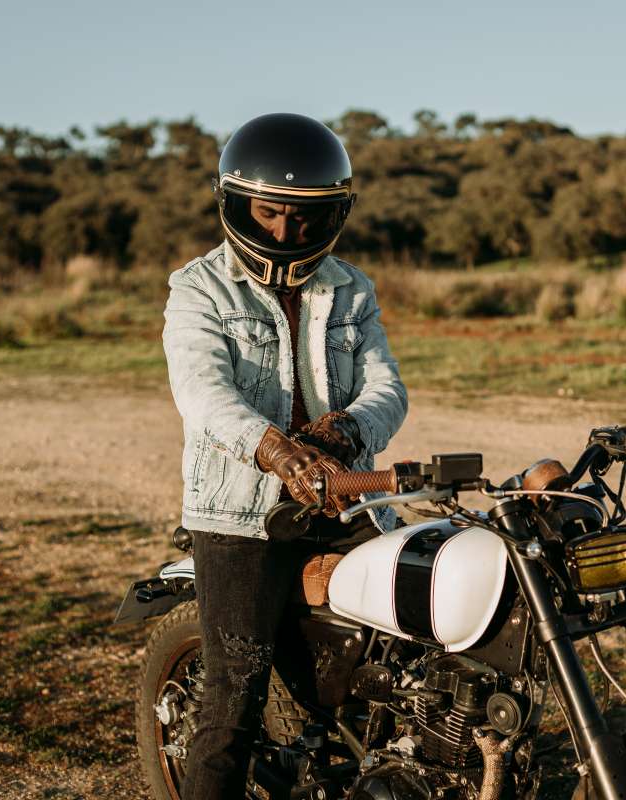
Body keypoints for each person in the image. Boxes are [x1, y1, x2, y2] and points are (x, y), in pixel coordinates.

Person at [161, 112, 407, 799]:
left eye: (307, 218)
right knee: (235, 690)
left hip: (339, 491)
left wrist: (340, 436)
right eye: (269, 213)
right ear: (236, 204)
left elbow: (388, 385)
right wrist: (277, 452)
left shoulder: (350, 288)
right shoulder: (199, 287)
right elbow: (202, 392)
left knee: (394, 658)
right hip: (240, 512)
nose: (285, 233)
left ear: (335, 214)